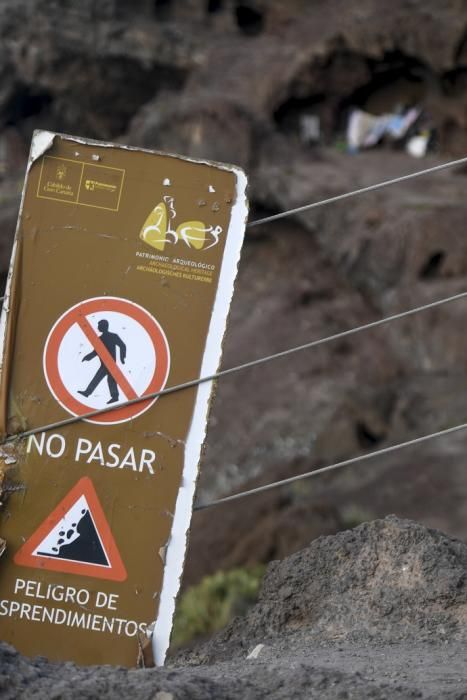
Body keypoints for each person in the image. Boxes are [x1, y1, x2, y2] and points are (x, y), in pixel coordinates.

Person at [78, 319, 126, 404]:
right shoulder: (100, 339)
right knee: (109, 379)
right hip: (104, 363)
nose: (98, 327)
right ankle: (114, 396)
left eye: (99, 325)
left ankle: (88, 393)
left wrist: (122, 357)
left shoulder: (113, 336)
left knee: (102, 378)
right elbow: (96, 351)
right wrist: (88, 357)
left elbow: (122, 346)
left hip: (110, 363)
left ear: (104, 326)